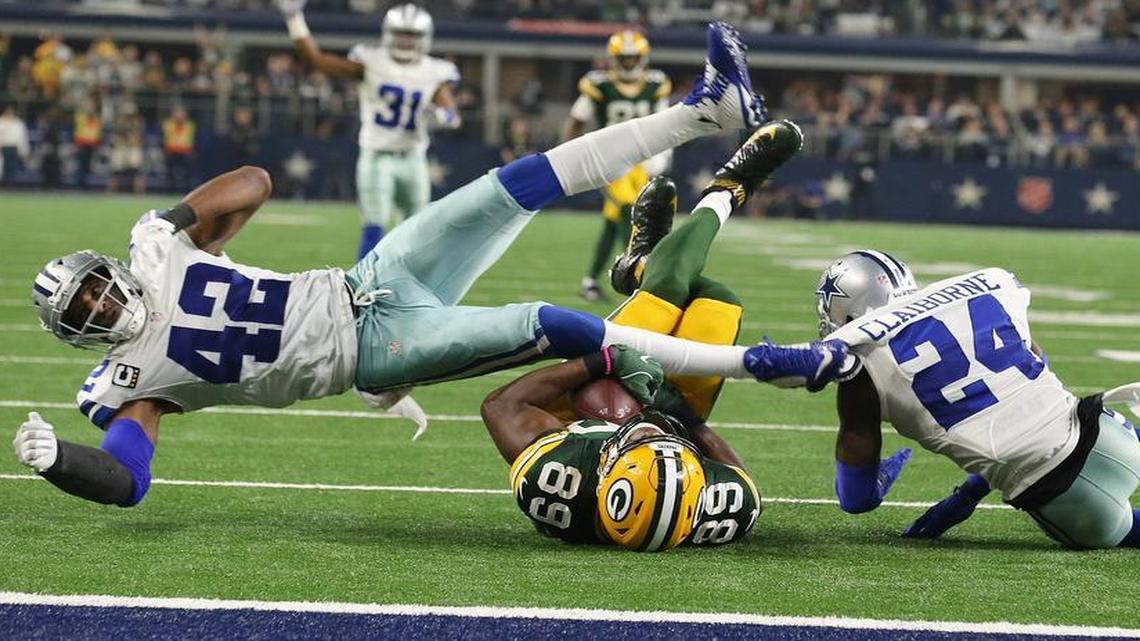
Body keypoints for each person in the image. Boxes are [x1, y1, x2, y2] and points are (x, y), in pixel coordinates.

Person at [12, 24, 847, 511]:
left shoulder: (158, 250)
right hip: (376, 347)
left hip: (365, 280)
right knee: (547, 325)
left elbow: (254, 182)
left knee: (510, 184)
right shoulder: (130, 378)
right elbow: (128, 480)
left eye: (93, 281)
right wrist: (60, 464)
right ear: (77, 334)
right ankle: (757, 366)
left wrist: (176, 222)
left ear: (107, 266)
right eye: (82, 307)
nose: (99, 300)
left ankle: (706, 109)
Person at [482, 120, 806, 551]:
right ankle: (640, 265)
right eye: (657, 441)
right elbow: (743, 482)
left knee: (668, 289)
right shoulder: (721, 507)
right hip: (679, 412)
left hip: (578, 402)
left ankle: (729, 188)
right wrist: (682, 420)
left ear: (608, 471)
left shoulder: (557, 478)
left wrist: (604, 363)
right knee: (718, 300)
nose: (646, 431)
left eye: (641, 442)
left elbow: (498, 405)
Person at [813, 251, 1140, 549]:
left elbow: (856, 499)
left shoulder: (865, 372)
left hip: (1066, 492)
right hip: (1107, 430)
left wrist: (886, 478)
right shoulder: (969, 309)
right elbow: (1035, 383)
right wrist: (971, 491)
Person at [279, 1, 462, 260]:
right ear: (389, 33)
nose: (406, 41)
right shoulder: (371, 61)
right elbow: (316, 60)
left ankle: (407, 288)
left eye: (412, 35)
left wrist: (442, 116)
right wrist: (294, 17)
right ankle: (361, 291)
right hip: (377, 155)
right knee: (375, 222)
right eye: (401, 33)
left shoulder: (435, 70)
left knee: (417, 227)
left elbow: (452, 113)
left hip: (413, 157)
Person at [565, 30, 672, 302]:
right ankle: (634, 277)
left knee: (614, 221)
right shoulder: (599, 85)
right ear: (614, 59)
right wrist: (571, 154)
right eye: (623, 59)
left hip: (641, 160)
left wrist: (664, 154)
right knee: (628, 209)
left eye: (632, 58)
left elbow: (666, 122)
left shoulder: (655, 84)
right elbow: (577, 120)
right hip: (609, 159)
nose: (628, 64)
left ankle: (590, 282)